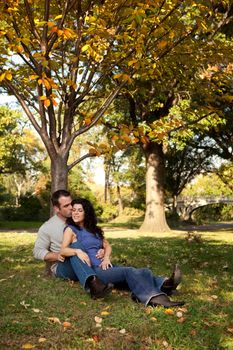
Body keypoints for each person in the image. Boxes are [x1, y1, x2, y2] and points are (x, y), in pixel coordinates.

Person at [60, 198, 185, 308]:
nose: (75, 213)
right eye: (74, 210)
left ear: (87, 213)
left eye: (79, 210)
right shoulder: (71, 229)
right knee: (128, 271)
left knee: (143, 272)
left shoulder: (95, 231)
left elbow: (107, 245)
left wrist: (106, 257)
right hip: (96, 271)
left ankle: (166, 284)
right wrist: (77, 251)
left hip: (105, 266)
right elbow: (63, 250)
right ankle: (155, 298)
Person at [33, 190, 112, 299]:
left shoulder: (79, 219)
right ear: (57, 209)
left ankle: (103, 280)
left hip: (86, 260)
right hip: (64, 265)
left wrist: (101, 249)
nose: (71, 208)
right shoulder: (47, 227)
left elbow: (95, 240)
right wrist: (57, 255)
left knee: (77, 247)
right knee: (74, 246)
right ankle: (94, 285)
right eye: (66, 206)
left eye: (71, 203)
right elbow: (37, 251)